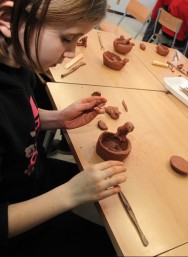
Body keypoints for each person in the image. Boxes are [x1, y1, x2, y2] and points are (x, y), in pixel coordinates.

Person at [0, 0, 127, 256]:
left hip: (32, 174)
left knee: (121, 196)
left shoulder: (18, 61)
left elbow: (17, 120)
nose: (71, 53)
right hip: (17, 222)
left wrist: (57, 118)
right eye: (68, 39)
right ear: (8, 18)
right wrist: (69, 195)